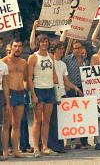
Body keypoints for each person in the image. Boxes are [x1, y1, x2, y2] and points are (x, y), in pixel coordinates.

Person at [28, 21, 58, 157]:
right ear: (38, 43)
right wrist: (33, 95)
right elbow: (29, 78)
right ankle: (36, 148)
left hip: (50, 90)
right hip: (38, 90)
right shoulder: (33, 57)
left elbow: (54, 74)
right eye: (42, 41)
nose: (45, 43)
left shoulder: (51, 56)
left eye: (46, 41)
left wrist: (57, 91)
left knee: (46, 120)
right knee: (37, 120)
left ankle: (45, 146)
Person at [1, 39, 27, 160]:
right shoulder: (4, 62)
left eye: (20, 46)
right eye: (15, 46)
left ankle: (16, 150)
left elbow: (26, 78)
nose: (17, 48)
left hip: (20, 94)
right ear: (10, 47)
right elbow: (4, 82)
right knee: (6, 124)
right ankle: (5, 151)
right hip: (9, 93)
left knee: (17, 124)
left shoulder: (23, 62)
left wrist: (26, 89)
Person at [62, 40, 90, 149]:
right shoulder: (67, 59)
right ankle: (68, 141)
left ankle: (78, 141)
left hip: (83, 89)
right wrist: (67, 85)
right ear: (72, 49)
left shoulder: (85, 60)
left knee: (80, 115)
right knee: (69, 116)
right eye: (75, 48)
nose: (78, 50)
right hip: (71, 88)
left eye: (79, 47)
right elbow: (64, 73)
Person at [0, 52, 10, 160]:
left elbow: (5, 85)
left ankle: (2, 151)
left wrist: (7, 102)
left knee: (0, 125)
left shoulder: (3, 65)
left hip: (0, 94)